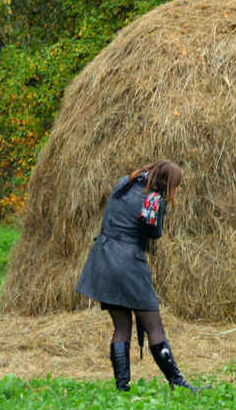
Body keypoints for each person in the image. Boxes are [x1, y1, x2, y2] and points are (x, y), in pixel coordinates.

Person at [76, 160, 199, 392]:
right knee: (154, 325)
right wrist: (161, 206)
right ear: (166, 183)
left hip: (103, 257)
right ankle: (178, 382)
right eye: (175, 186)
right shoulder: (154, 200)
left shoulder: (125, 182)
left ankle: (122, 387)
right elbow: (155, 233)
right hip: (128, 263)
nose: (176, 191)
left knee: (121, 327)